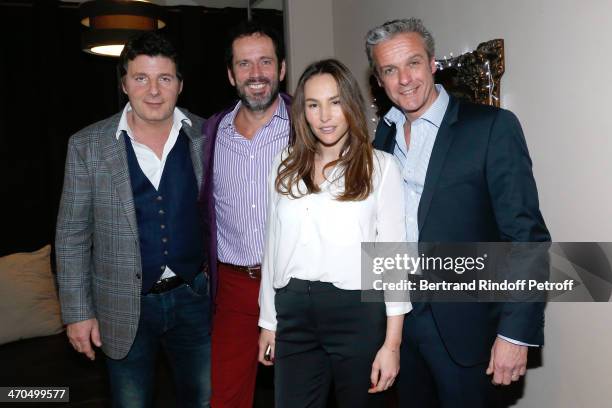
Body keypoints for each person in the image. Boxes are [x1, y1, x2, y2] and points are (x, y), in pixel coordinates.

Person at [365, 18, 551, 407]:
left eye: (413, 63)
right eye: (389, 70)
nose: (404, 79)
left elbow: (526, 239)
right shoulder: (383, 136)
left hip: (467, 330)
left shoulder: (490, 128)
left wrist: (515, 335)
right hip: (399, 323)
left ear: (433, 64)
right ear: (379, 80)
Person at [56, 31, 210, 407]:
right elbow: (72, 236)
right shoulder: (87, 145)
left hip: (196, 298)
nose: (154, 90)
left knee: (205, 401)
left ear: (180, 85)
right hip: (122, 305)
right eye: (141, 78)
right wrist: (77, 314)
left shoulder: (209, 135)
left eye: (165, 79)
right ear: (125, 83)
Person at [257, 58, 411, 408]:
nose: (325, 115)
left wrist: (392, 345)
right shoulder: (284, 165)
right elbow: (273, 247)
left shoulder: (381, 167)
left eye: (335, 102)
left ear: (351, 105)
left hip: (356, 314)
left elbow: (393, 261)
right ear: (303, 112)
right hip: (293, 311)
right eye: (313, 104)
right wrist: (269, 322)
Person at [198, 21, 291, 408]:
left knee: (301, 392)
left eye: (265, 62)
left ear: (282, 69)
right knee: (226, 395)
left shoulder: (309, 126)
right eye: (245, 64)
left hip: (294, 285)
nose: (256, 74)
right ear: (230, 74)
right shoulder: (209, 134)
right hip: (234, 288)